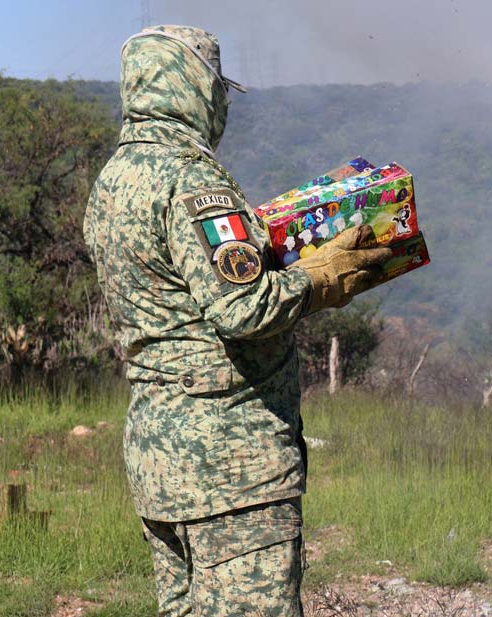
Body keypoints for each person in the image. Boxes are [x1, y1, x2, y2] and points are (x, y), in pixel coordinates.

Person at [83, 25, 390, 616]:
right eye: (218, 88)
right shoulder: (191, 178)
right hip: (232, 467)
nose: (223, 102)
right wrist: (322, 275)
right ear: (195, 88)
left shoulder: (113, 181)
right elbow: (242, 308)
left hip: (160, 461)